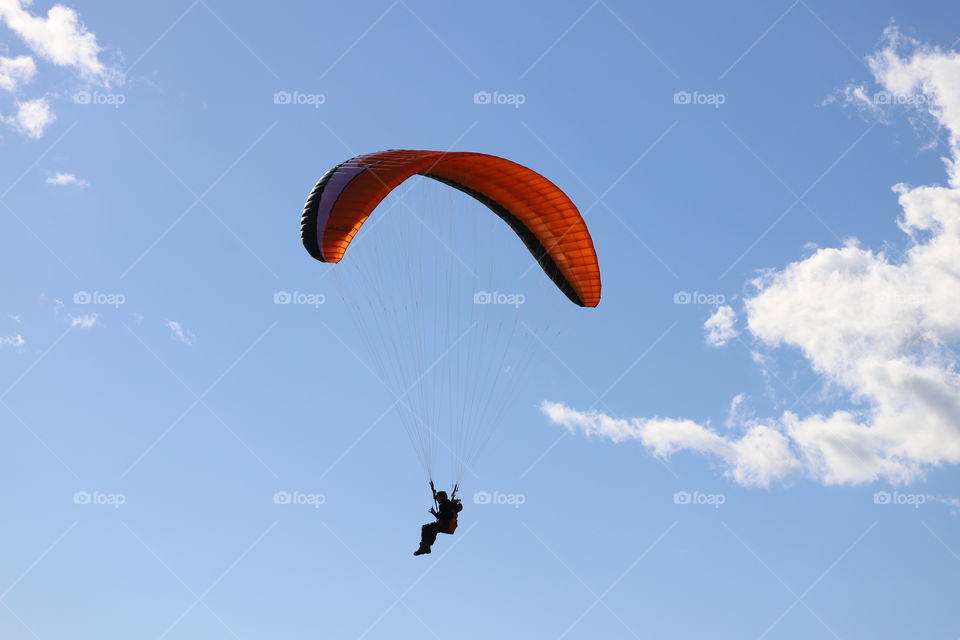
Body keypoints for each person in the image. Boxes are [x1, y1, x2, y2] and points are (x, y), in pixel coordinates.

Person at [414, 483, 462, 556]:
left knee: (425, 527)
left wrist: (434, 513)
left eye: (439, 498)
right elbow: (459, 508)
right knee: (433, 530)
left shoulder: (444, 505)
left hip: (446, 526)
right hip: (450, 527)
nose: (437, 500)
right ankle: (427, 547)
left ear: (443, 497)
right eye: (437, 498)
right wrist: (457, 503)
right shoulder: (451, 504)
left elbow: (442, 517)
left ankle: (424, 547)